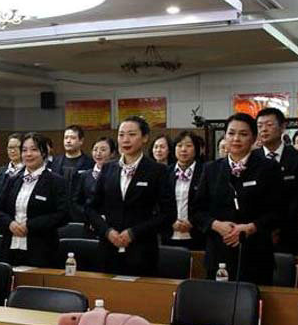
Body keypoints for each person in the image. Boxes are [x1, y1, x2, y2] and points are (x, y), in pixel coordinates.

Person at [191, 113, 282, 285]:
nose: (236, 139)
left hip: (255, 252)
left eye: (243, 134)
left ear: (254, 138)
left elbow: (278, 211)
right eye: (231, 133)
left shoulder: (268, 168)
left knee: (253, 299)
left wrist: (250, 227)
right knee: (218, 299)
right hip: (219, 250)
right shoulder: (211, 169)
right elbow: (196, 212)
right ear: (224, 136)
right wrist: (216, 225)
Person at [85, 116, 174, 276]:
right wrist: (107, 231)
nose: (125, 140)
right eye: (121, 135)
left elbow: (168, 213)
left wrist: (133, 233)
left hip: (142, 249)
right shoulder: (108, 168)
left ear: (145, 138)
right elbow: (91, 208)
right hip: (108, 247)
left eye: (132, 134)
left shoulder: (157, 171)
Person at [0, 133, 68, 267]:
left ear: (44, 153)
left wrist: (30, 226)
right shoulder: (12, 179)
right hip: (10, 246)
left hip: (41, 248)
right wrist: (9, 223)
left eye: (34, 149)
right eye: (24, 150)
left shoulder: (56, 182)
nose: (28, 154)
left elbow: (63, 215)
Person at [255, 107, 298, 254]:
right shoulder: (252, 159)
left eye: (269, 125)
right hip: (256, 232)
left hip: (288, 232)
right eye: (260, 126)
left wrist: (277, 226)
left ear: (282, 127)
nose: (263, 129)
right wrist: (262, 225)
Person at [162, 131, 206, 250]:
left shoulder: (205, 172)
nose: (183, 149)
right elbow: (159, 204)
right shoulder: (165, 173)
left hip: (198, 235)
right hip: (169, 234)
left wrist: (193, 222)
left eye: (188, 145)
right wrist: (171, 222)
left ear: (196, 149)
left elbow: (208, 203)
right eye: (179, 145)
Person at [70, 136, 116, 224]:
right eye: (95, 150)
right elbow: (76, 203)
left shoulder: (118, 174)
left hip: (112, 222)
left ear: (112, 153)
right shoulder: (84, 175)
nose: (98, 153)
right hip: (89, 221)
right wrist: (91, 217)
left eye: (103, 150)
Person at [0, 133, 22, 202]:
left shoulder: (28, 171)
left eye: (16, 147)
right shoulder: (1, 171)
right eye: (10, 147)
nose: (12, 151)